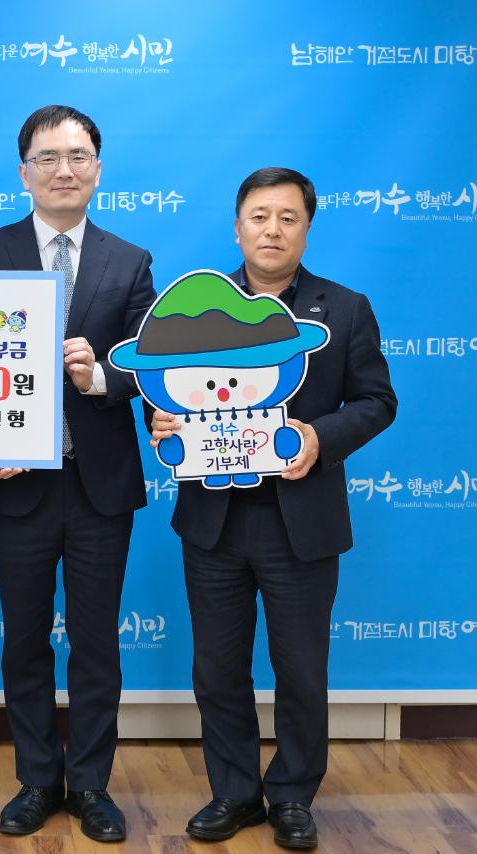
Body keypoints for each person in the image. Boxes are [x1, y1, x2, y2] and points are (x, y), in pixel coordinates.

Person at [150, 167, 396, 849]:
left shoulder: (345, 309)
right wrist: (161, 422)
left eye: (288, 218)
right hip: (213, 522)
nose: (273, 229)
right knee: (217, 668)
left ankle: (291, 795)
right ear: (238, 228)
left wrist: (321, 438)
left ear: (307, 230)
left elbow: (378, 401)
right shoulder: (193, 306)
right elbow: (166, 392)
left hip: (301, 520)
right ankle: (233, 792)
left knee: (301, 670)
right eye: (259, 216)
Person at [0, 105, 155, 842]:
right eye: (48, 157)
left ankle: (92, 784)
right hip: (17, 483)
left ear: (97, 169)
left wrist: (98, 375)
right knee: (25, 639)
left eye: (77, 156)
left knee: (97, 641)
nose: (63, 169)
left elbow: (148, 368)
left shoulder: (129, 260)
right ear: (24, 172)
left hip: (100, 484)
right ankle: (38, 780)